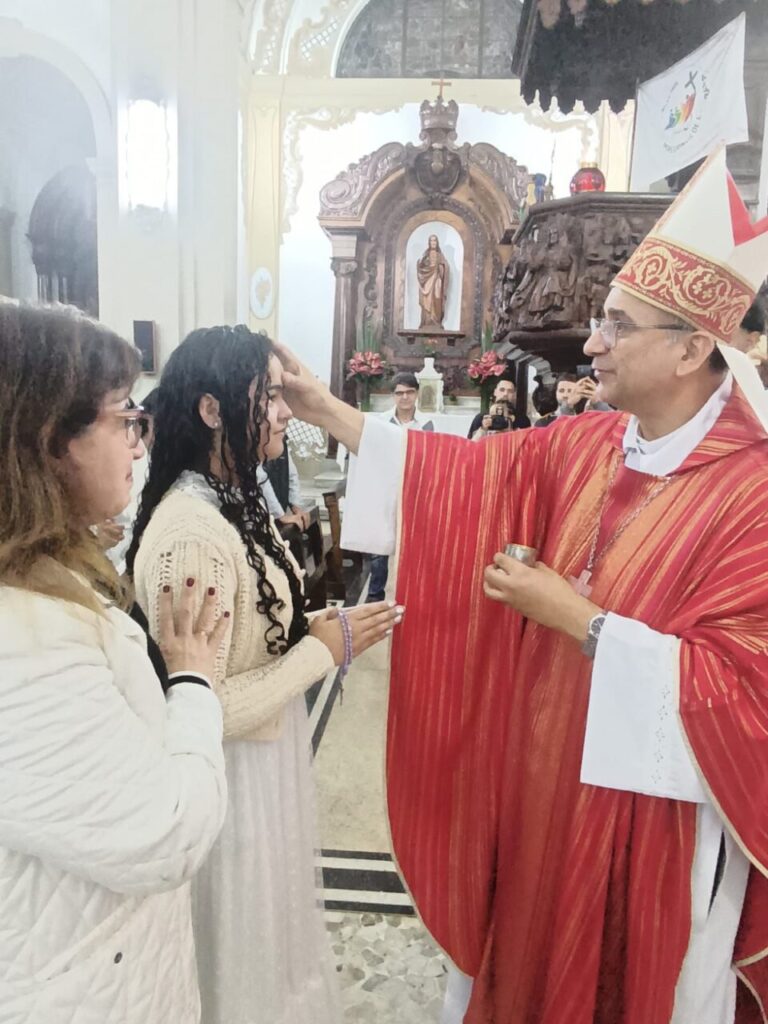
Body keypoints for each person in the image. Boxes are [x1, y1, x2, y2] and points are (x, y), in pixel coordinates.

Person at [275, 149, 768, 1023]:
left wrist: (582, 623)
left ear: (694, 347)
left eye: (617, 326)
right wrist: (327, 411)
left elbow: (745, 696)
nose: (591, 343)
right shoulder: (591, 442)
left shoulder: (753, 498)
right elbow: (458, 476)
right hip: (542, 784)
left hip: (651, 827)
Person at [127, 324, 401, 1024]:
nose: (284, 411)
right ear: (213, 410)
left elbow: (257, 633)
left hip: (263, 765)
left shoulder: (232, 499)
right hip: (228, 781)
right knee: (235, 957)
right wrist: (323, 651)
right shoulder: (191, 530)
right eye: (269, 396)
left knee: (270, 946)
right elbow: (200, 705)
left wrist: (310, 628)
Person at [0, 302, 230, 1023]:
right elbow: (165, 830)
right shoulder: (21, 642)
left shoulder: (40, 578)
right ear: (47, 439)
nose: (139, 443)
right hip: (75, 981)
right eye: (123, 417)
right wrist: (192, 679)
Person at [367, 371, 433, 602]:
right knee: (380, 545)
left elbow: (432, 457)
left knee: (413, 544)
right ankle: (375, 596)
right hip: (386, 487)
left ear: (416, 394)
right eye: (399, 393)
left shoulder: (427, 423)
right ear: (393, 396)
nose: (404, 397)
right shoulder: (382, 421)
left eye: (409, 392)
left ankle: (411, 595)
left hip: (415, 489)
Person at [466, 373, 530, 438]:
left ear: (514, 395)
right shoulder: (481, 418)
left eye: (510, 391)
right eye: (502, 390)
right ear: (495, 392)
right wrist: (483, 429)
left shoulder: (522, 420)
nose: (505, 394)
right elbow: (470, 445)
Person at [417, 234, 449, 328]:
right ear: (429, 243)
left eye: (435, 240)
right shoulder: (425, 255)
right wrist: (420, 266)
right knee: (426, 300)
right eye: (431, 241)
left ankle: (436, 320)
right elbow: (421, 268)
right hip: (427, 280)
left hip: (437, 280)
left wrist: (440, 268)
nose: (433, 242)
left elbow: (446, 267)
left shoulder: (440, 255)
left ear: (437, 242)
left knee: (437, 298)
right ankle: (427, 321)